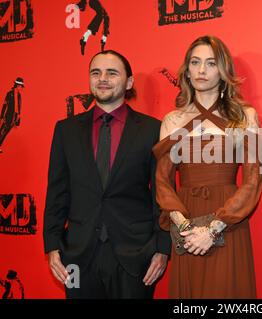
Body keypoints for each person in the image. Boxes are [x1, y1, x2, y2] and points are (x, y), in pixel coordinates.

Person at [43, 50, 169, 299]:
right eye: (96, 73)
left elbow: (162, 194)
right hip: (77, 254)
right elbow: (57, 191)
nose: (103, 78)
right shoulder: (66, 130)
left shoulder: (153, 130)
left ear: (129, 82)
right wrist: (52, 245)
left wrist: (162, 248)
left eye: (112, 73)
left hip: (135, 255)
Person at [153, 35, 262, 298]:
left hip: (229, 221)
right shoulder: (172, 120)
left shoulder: (245, 115)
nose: (201, 70)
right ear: (187, 71)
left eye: (211, 63)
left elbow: (253, 180)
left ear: (223, 71)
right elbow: (163, 183)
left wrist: (214, 229)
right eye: (195, 62)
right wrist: (186, 228)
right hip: (186, 222)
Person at [0, 77, 24, 154]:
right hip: (8, 116)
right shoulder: (9, 94)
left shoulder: (19, 95)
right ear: (17, 85)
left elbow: (19, 106)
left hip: (15, 116)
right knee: (2, 131)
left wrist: (19, 116)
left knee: (6, 132)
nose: (21, 88)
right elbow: (5, 105)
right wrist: (2, 116)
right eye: (21, 86)